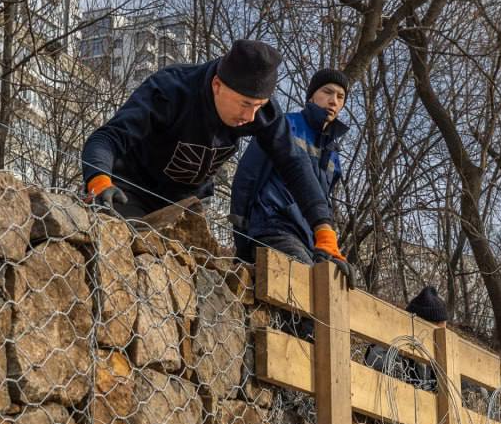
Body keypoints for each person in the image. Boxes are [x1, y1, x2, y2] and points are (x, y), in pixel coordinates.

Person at [80, 39, 346, 266]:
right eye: (244, 104)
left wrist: (323, 228)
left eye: (258, 105)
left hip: (186, 204)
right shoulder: (171, 89)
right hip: (133, 191)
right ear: (217, 85)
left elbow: (295, 165)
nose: (250, 116)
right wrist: (100, 180)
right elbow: (106, 138)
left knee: (190, 282)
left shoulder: (260, 113)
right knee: (121, 258)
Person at [229, 67, 348, 265]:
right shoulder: (283, 126)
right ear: (311, 97)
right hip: (273, 226)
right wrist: (242, 236)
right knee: (305, 286)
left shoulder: (332, 152)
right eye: (327, 92)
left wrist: (326, 244)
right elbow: (247, 175)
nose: (333, 101)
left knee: (336, 286)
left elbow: (324, 201)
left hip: (308, 239)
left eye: (340, 96)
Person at [366, 286, 449, 392]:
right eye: (438, 335)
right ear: (419, 327)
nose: (440, 344)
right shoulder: (386, 351)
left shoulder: (434, 365)